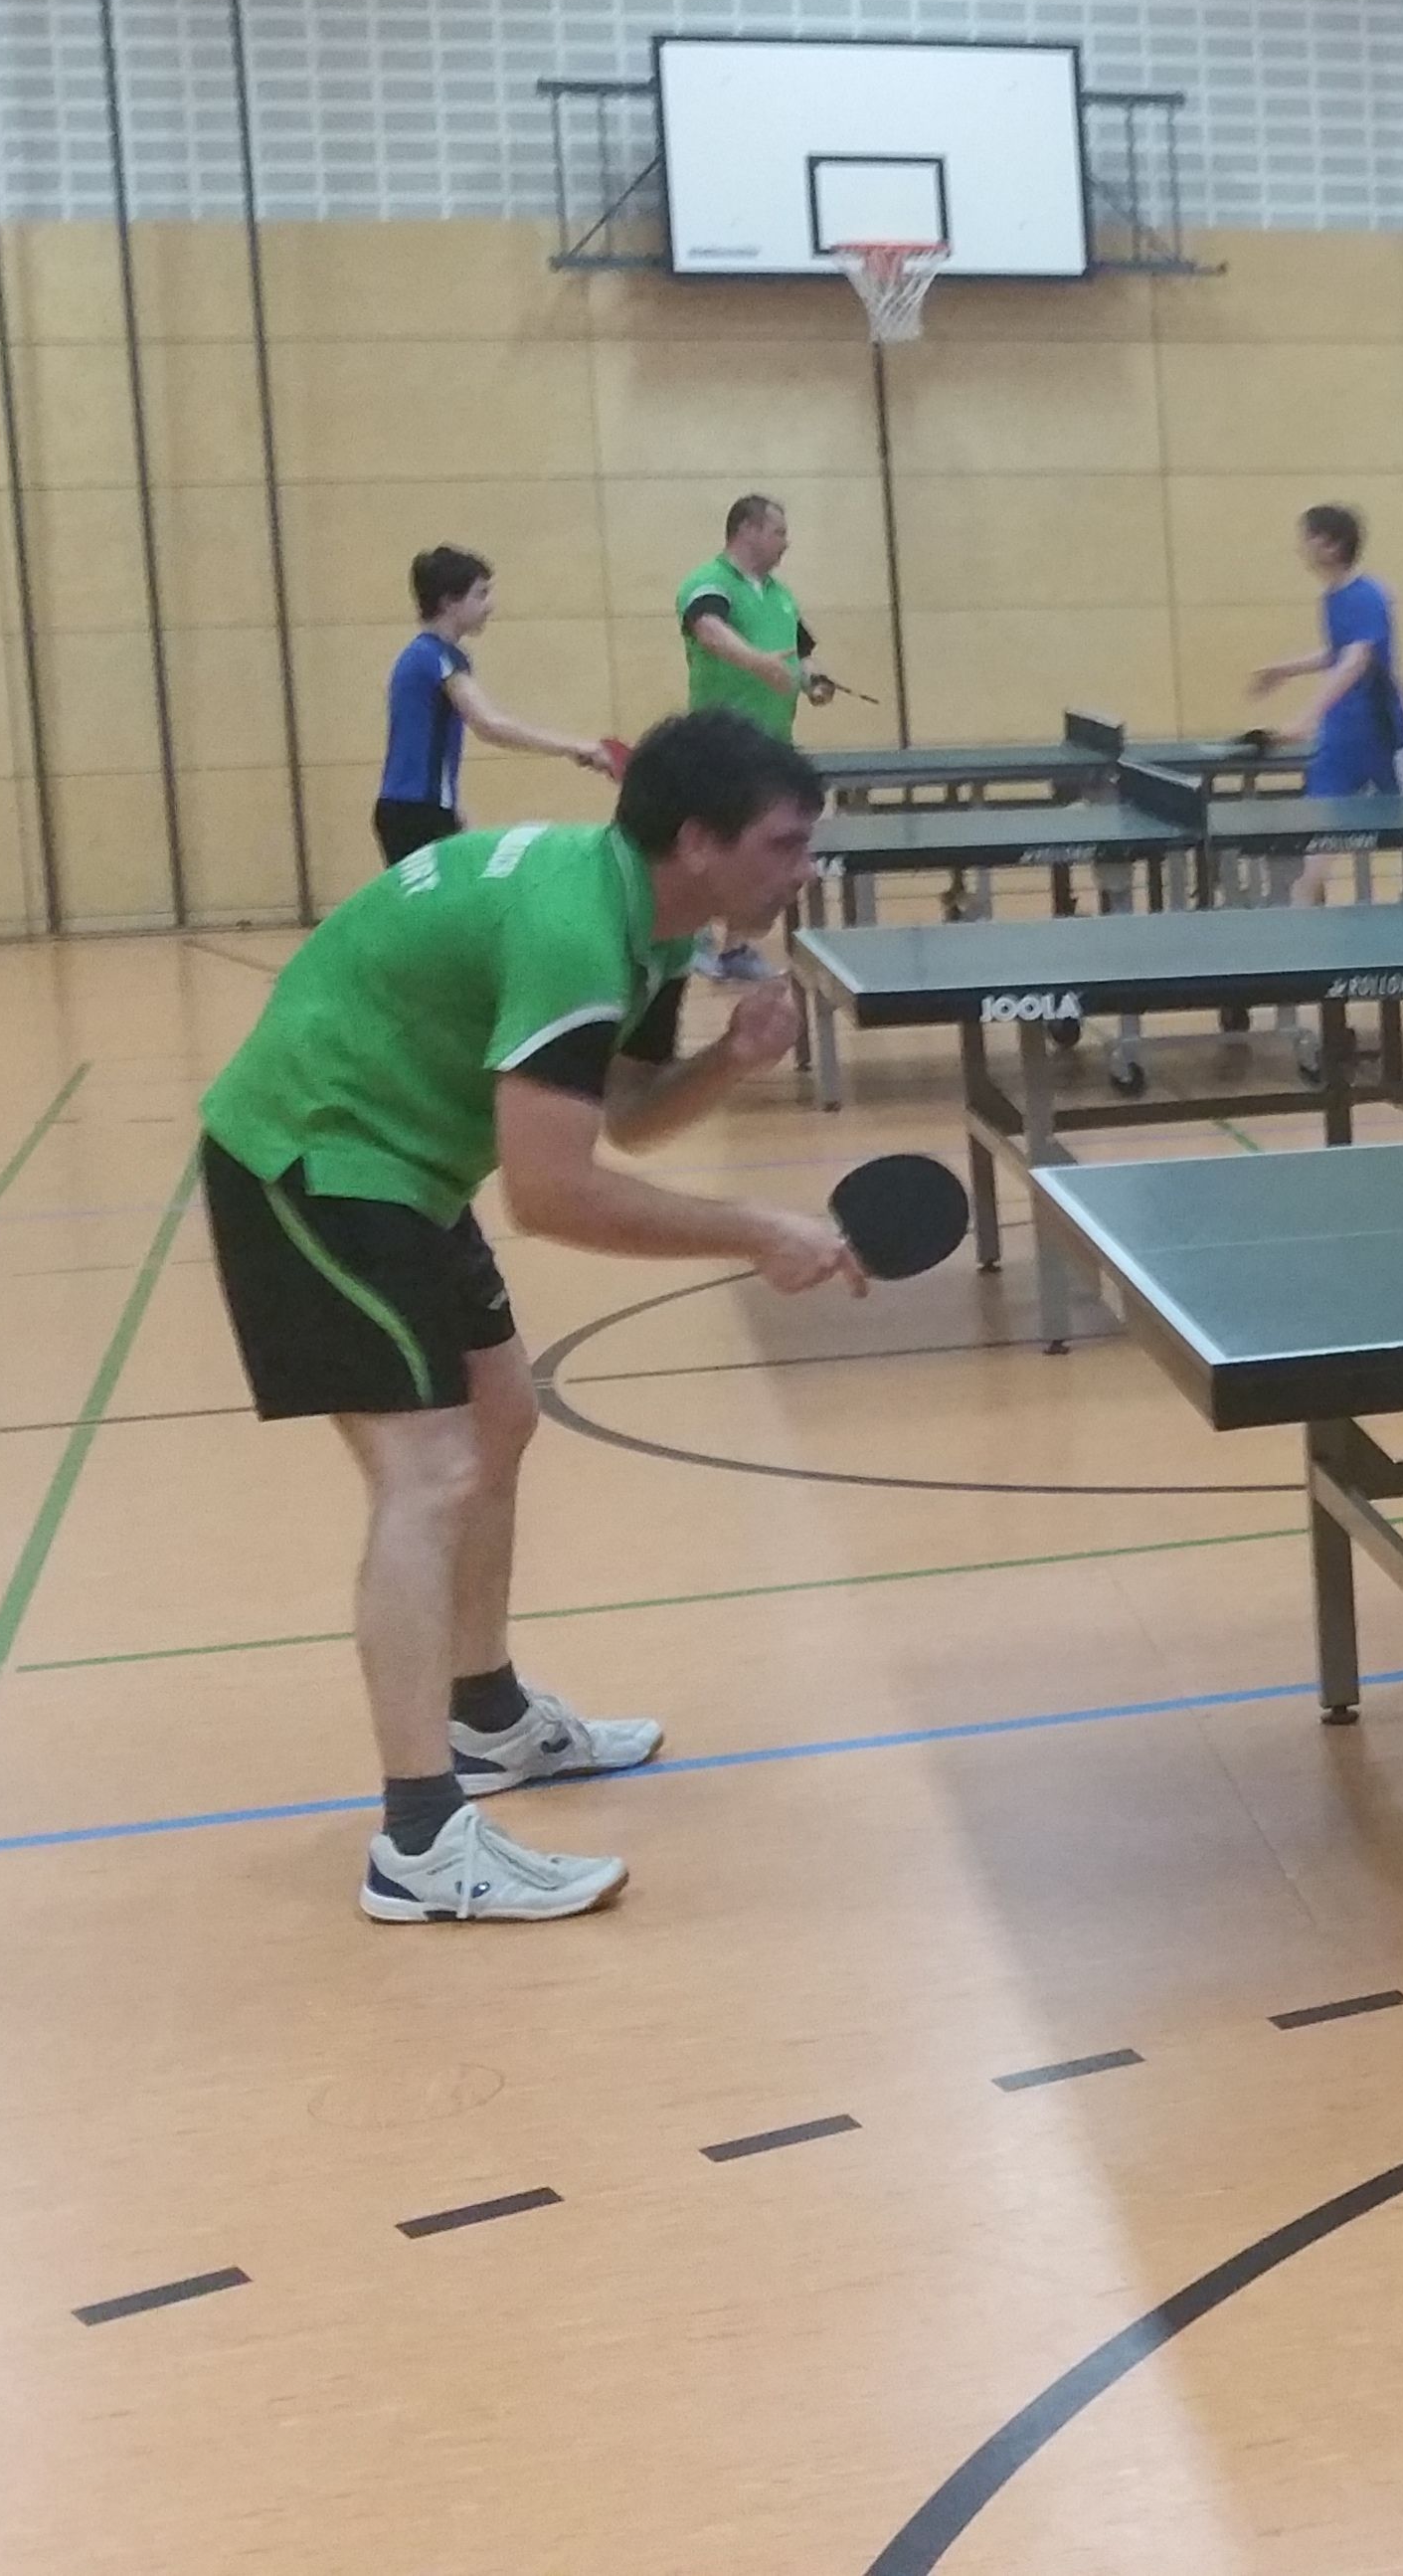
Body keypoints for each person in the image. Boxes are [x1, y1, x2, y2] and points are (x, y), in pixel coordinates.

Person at [195, 710, 870, 1924]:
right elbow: (550, 1194)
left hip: (404, 1161)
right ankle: (418, 1841)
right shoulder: (574, 932)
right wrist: (756, 1231)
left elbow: (622, 1119)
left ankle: (489, 1717)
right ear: (699, 841)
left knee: (500, 1416)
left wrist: (727, 1062)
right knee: (428, 1473)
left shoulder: (651, 923)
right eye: (784, 844)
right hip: (311, 1156)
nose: (803, 869)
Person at [378, 546, 621, 868]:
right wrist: (578, 746)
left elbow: (423, 745)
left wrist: (453, 811)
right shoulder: (435, 657)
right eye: (480, 594)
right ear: (449, 601)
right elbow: (489, 724)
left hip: (421, 810)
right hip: (416, 815)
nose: (489, 605)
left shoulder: (424, 656)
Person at [1246, 503, 1403, 896]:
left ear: (1331, 545)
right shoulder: (1332, 598)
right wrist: (1284, 670)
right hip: (1341, 732)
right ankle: (1303, 905)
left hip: (1381, 733)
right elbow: (1337, 654)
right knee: (1322, 827)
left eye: (1307, 538)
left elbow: (1356, 660)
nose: (1300, 547)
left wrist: (1305, 716)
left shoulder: (1370, 595)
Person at [676, 493, 839, 742]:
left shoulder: (781, 595)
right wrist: (759, 662)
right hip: (719, 743)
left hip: (776, 742)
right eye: (778, 533)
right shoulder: (710, 580)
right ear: (748, 530)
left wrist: (815, 681)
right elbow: (709, 630)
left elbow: (801, 654)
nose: (786, 543)